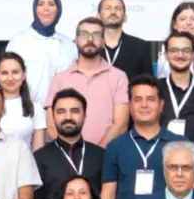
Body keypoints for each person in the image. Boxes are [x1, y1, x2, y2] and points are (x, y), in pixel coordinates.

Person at [45, 17, 130, 147]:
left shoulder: (119, 77)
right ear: (76, 40)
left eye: (96, 34)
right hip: (67, 155)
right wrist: (70, 152)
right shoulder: (59, 79)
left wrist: (95, 154)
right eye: (84, 34)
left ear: (103, 41)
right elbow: (52, 126)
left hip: (106, 155)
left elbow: (121, 125)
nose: (90, 39)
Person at [31, 89, 105, 199]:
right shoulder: (39, 157)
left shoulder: (100, 155)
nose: (68, 117)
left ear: (84, 115)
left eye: (74, 111)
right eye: (61, 112)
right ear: (53, 116)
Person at [4, 0, 77, 108]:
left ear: (58, 9)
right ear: (35, 9)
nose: (46, 8)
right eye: (41, 4)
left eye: (51, 4)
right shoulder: (19, 42)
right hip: (27, 110)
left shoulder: (69, 45)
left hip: (63, 112)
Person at [0, 52, 48, 150]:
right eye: (4, 73)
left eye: (15, 72)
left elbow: (38, 152)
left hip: (24, 159)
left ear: (23, 74)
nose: (10, 78)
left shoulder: (35, 108)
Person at [98, 0, 154, 80]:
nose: (113, 12)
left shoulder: (141, 47)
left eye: (118, 9)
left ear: (125, 17)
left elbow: (148, 82)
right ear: (98, 16)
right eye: (108, 8)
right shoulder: (90, 46)